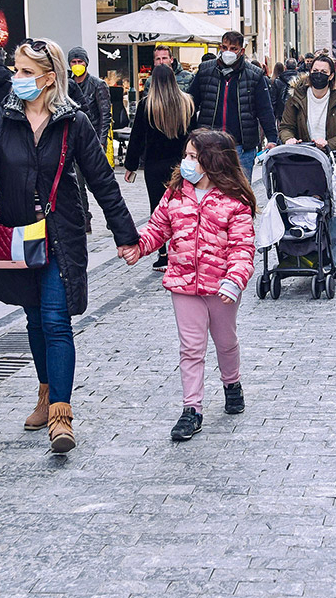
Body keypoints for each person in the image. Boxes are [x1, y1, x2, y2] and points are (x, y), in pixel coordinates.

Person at [0, 39, 138, 453]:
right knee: (35, 321)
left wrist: (126, 234)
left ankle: (61, 413)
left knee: (57, 321)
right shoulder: (0, 121)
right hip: (18, 234)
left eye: (25, 72)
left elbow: (102, 181)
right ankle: (45, 393)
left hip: (61, 235)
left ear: (48, 78)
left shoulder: (73, 121)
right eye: (16, 70)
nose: (16, 78)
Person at [120, 129, 256, 442]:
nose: (186, 162)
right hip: (183, 283)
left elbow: (242, 247)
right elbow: (158, 227)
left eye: (193, 157)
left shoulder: (234, 200)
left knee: (226, 342)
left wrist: (234, 279)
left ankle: (231, 382)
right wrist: (139, 247)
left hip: (221, 288)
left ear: (213, 161)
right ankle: (191, 408)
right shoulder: (176, 193)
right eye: (186, 156)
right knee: (191, 348)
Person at [278, 54, 336, 264]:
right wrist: (289, 139)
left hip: (332, 160)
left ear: (331, 76)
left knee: (332, 213)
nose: (318, 75)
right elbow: (285, 126)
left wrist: (329, 143)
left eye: (323, 72)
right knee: (303, 208)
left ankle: (331, 259)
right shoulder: (297, 98)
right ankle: (302, 255)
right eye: (315, 71)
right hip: (302, 161)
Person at [124, 64, 194, 270]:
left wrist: (131, 165)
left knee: (158, 209)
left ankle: (163, 254)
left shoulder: (147, 105)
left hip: (154, 165)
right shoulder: (187, 103)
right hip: (181, 164)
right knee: (182, 208)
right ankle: (182, 249)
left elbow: (136, 138)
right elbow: (193, 135)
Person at [187, 31, 278, 180]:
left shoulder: (254, 75)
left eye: (233, 48)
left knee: (240, 192)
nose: (228, 52)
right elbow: (191, 105)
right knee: (208, 190)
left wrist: (272, 138)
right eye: (224, 47)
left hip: (241, 147)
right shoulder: (205, 71)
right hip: (208, 144)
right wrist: (190, 136)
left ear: (241, 51)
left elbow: (265, 110)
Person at [67, 47, 111, 232]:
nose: (77, 66)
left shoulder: (97, 84)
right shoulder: (67, 84)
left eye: (80, 62)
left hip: (93, 142)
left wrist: (101, 141)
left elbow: (105, 115)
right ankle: (85, 219)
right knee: (77, 183)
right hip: (74, 141)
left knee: (97, 182)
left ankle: (111, 213)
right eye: (74, 62)